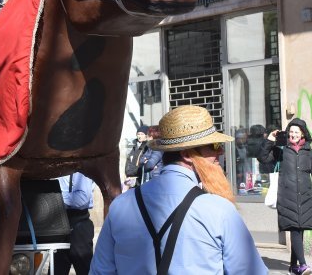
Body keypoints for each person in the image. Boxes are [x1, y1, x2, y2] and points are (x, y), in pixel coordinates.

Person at [90, 105, 267, 274]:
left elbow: (100, 271)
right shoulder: (219, 210)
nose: (220, 152)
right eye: (212, 146)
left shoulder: (121, 205)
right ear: (187, 155)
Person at [258, 118, 312, 275]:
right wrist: (269, 140)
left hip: (305, 197)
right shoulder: (281, 150)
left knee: (300, 230)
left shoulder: (308, 153)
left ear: (302, 134)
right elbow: (262, 157)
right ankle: (302, 264)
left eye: (297, 132)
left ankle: (293, 266)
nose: (294, 134)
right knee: (295, 228)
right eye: (291, 132)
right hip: (287, 197)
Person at [55, 172, 94, 275]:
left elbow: (83, 198)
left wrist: (54, 197)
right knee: (57, 269)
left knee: (84, 269)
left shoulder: (79, 169)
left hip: (78, 223)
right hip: (58, 224)